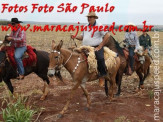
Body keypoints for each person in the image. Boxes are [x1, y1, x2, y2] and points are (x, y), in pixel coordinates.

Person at [71, 11, 110, 87]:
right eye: (88, 17)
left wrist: (100, 46)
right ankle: (80, 74)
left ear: (94, 18)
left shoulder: (99, 26)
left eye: (90, 17)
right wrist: (75, 36)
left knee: (100, 58)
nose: (89, 18)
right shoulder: (85, 26)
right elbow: (82, 37)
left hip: (96, 47)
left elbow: (107, 35)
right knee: (77, 57)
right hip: (85, 47)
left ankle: (102, 75)